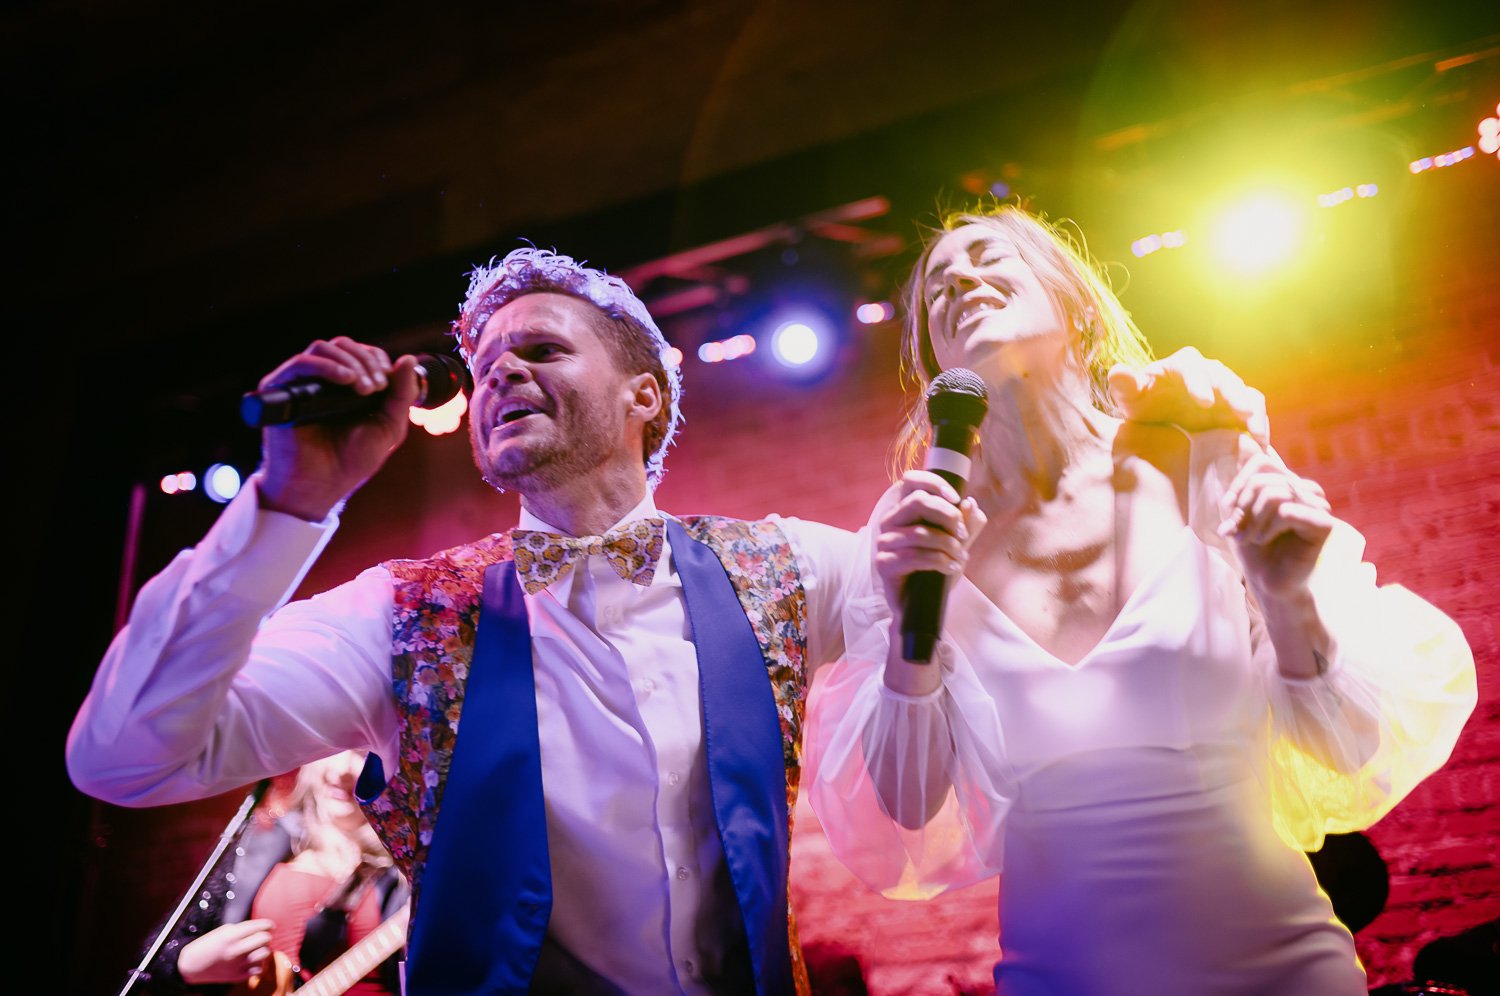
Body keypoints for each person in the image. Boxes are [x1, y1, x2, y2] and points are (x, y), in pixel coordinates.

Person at [69, 243, 1264, 994]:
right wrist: (289, 501)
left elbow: (1018, 629)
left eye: (541, 347)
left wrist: (1158, 450)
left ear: (646, 394)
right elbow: (125, 758)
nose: (500, 373)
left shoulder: (792, 567)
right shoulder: (400, 615)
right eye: (483, 363)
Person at [804, 206, 1477, 995]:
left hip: (1279, 967)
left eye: (988, 258)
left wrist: (1287, 594)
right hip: (1064, 976)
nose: (959, 284)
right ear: (933, 365)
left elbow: (1347, 747)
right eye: (936, 291)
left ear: (1074, 304)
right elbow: (909, 811)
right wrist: (908, 637)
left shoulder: (1200, 452)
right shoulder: (920, 527)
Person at [137, 750, 409, 994]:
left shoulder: (408, 875)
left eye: (363, 755)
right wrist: (185, 964)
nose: (342, 770)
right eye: (337, 748)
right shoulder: (260, 842)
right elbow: (153, 958)